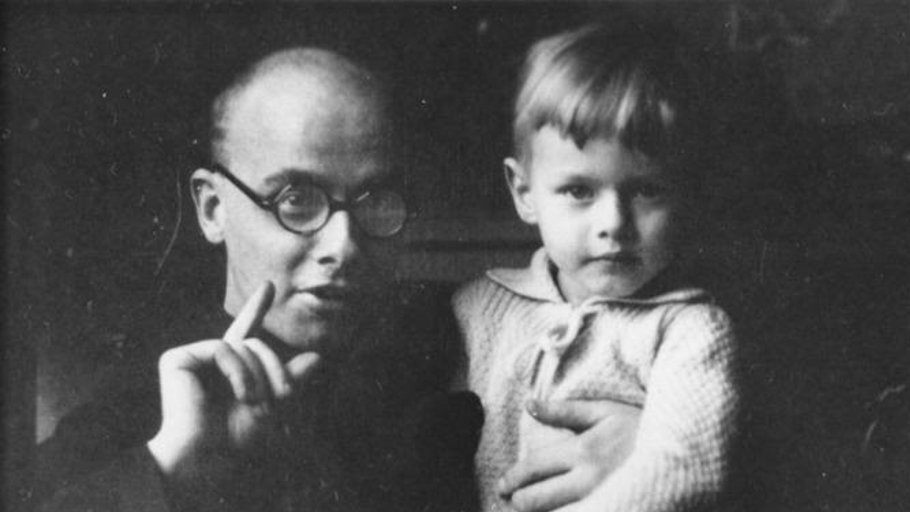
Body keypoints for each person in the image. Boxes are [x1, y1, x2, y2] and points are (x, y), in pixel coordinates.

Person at [37, 47, 483, 512]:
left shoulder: (455, 354)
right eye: (296, 200)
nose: (344, 245)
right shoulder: (138, 410)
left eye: (376, 200)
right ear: (212, 209)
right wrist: (170, 469)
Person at [453, 23, 741, 512]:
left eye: (647, 190)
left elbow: (684, 470)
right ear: (524, 193)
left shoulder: (691, 332)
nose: (614, 224)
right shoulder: (477, 308)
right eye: (579, 191)